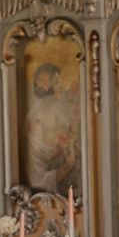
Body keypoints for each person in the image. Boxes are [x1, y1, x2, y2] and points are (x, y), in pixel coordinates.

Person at [25, 62, 80, 193]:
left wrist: (74, 124)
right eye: (56, 82)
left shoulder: (58, 113)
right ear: (46, 87)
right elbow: (38, 178)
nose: (62, 86)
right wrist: (68, 163)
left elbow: (69, 139)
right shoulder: (36, 121)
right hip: (44, 191)